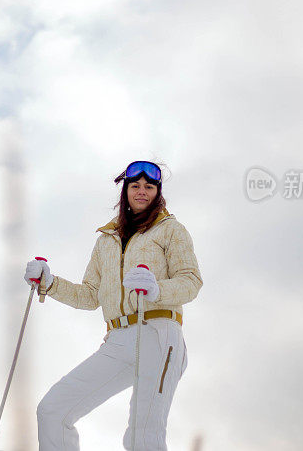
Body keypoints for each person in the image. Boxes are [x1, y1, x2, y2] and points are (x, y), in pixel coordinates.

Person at [24, 160, 202, 450]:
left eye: (149, 187)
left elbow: (191, 281)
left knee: (142, 435)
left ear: (158, 193)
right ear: (125, 192)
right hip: (118, 338)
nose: (142, 192)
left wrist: (157, 288)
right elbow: (90, 295)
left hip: (159, 333)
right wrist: (49, 283)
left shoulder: (171, 230)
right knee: (53, 410)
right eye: (135, 186)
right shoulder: (107, 240)